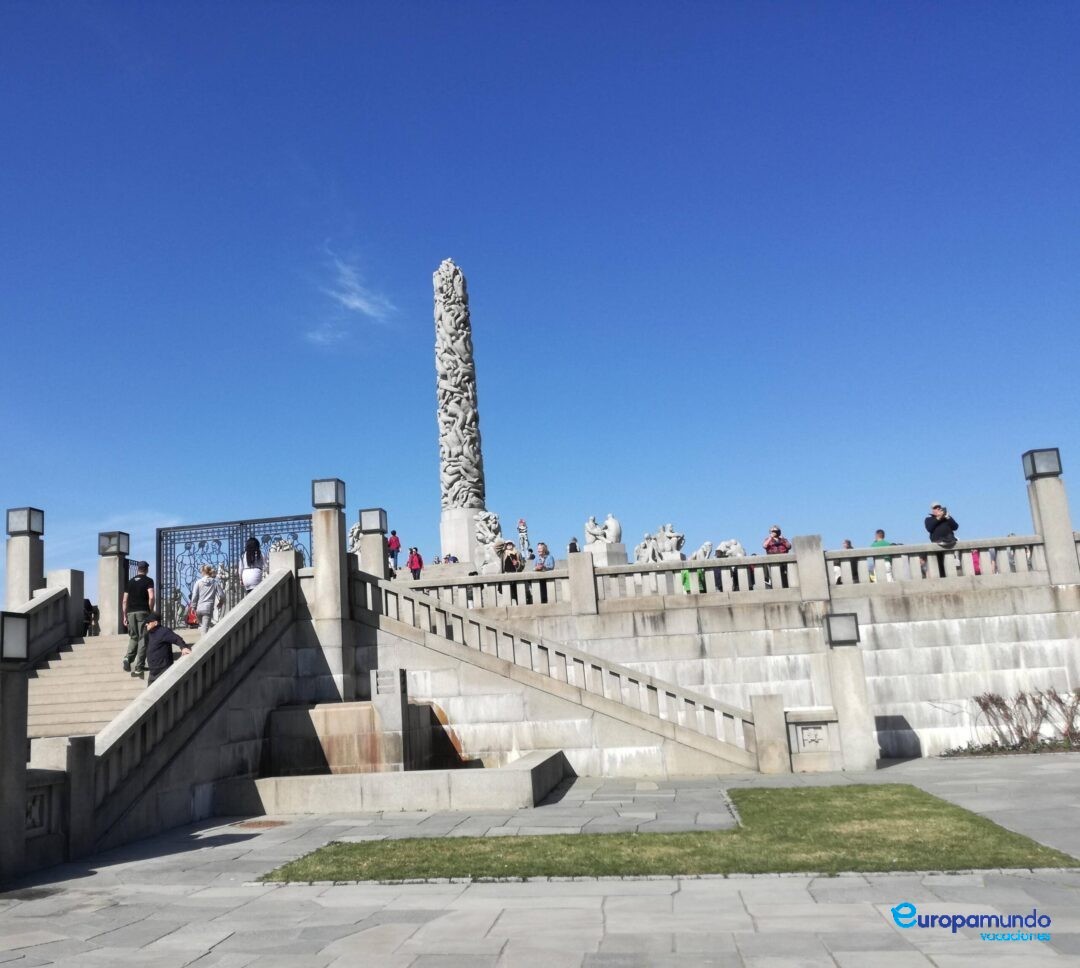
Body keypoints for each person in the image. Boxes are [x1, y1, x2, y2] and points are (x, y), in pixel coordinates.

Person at [122, 561, 155, 675]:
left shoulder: (130, 582)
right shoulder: (148, 581)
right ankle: (139, 667)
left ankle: (127, 658)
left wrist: (124, 615)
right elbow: (151, 597)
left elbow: (124, 600)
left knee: (134, 637)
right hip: (143, 612)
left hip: (130, 613)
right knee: (143, 639)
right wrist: (150, 611)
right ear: (146, 569)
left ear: (138, 569)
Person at [143, 611, 190, 686]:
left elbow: (177, 639)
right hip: (152, 672)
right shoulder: (148, 634)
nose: (146, 624)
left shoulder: (164, 631)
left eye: (148, 622)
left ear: (155, 623)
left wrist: (183, 647)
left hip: (163, 671)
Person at [923, 503, 959, 578]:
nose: (938, 509)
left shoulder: (947, 518)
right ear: (932, 510)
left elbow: (955, 527)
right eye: (936, 508)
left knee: (950, 565)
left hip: (949, 544)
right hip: (937, 545)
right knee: (940, 566)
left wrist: (948, 517)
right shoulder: (929, 519)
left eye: (939, 507)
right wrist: (938, 518)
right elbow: (929, 528)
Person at [189, 564, 225, 637]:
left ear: (203, 572)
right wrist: (221, 602)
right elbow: (222, 595)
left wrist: (193, 607)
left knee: (203, 626)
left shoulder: (198, 582)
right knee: (204, 630)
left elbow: (194, 595)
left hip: (199, 608)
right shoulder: (214, 582)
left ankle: (214, 633)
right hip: (208, 608)